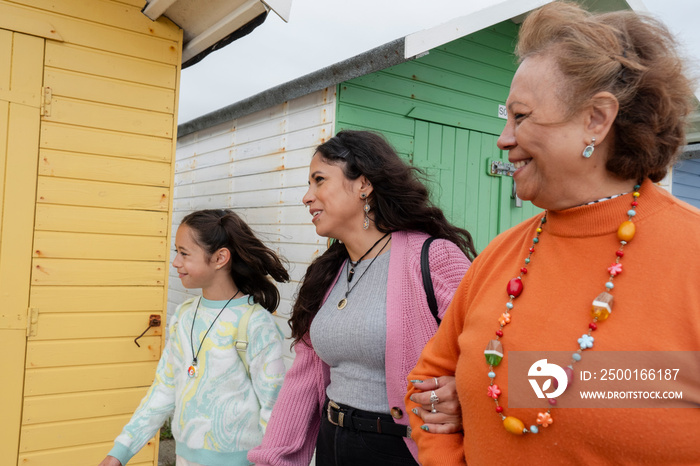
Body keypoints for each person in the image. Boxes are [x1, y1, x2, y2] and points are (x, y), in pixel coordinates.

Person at [406, 2, 700, 465]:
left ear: (596, 120)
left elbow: (588, 383)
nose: (503, 138)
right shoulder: (500, 255)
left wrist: (503, 389)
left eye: (520, 116)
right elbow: (428, 381)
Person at [248, 130, 477, 465]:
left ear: (363, 185)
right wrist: (273, 459)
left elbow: (494, 350)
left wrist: (464, 392)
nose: (307, 197)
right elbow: (305, 378)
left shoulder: (433, 258)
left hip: (403, 450)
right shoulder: (328, 273)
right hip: (333, 444)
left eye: (319, 180)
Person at [99, 209, 289, 466]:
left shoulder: (256, 323)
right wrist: (120, 452)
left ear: (220, 257)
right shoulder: (184, 316)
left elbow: (274, 408)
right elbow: (163, 389)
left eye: (184, 253)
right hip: (185, 459)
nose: (176, 262)